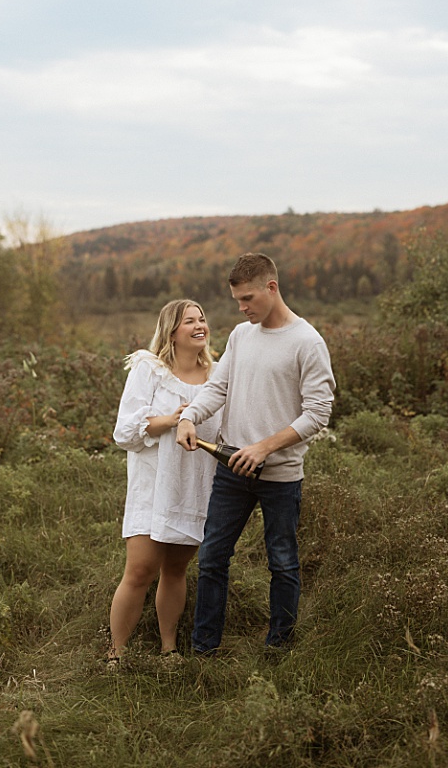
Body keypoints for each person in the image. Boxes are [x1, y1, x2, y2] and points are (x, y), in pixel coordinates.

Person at [176, 252, 335, 654]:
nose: (242, 308)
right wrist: (190, 416)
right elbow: (219, 387)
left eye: (248, 298)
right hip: (232, 471)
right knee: (212, 559)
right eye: (237, 301)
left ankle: (278, 648)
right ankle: (204, 649)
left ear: (272, 287)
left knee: (282, 563)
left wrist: (264, 447)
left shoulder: (307, 342)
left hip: (280, 477)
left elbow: (318, 413)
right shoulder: (241, 335)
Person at [109, 299, 221, 668]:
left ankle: (168, 648)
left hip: (193, 488)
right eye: (190, 320)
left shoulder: (217, 375)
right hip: (153, 486)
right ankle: (117, 653)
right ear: (172, 330)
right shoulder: (150, 370)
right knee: (140, 570)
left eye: (202, 318)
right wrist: (170, 420)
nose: (199, 325)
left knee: (176, 570)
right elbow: (124, 431)